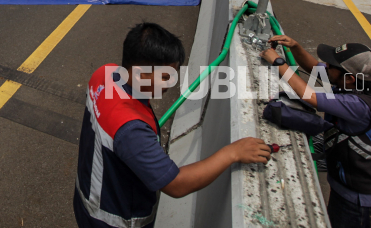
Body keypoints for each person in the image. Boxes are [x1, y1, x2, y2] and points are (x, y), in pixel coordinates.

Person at [74, 23, 271, 228]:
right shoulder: (132, 130)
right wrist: (232, 152)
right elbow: (176, 185)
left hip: (87, 199)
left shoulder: (105, 74)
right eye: (165, 77)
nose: (171, 84)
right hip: (112, 220)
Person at [260, 37, 371, 228]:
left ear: (349, 78)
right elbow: (314, 67)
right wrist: (296, 46)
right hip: (347, 187)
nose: (325, 66)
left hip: (362, 200)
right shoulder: (354, 84)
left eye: (331, 65)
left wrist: (278, 62)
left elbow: (310, 95)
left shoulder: (361, 106)